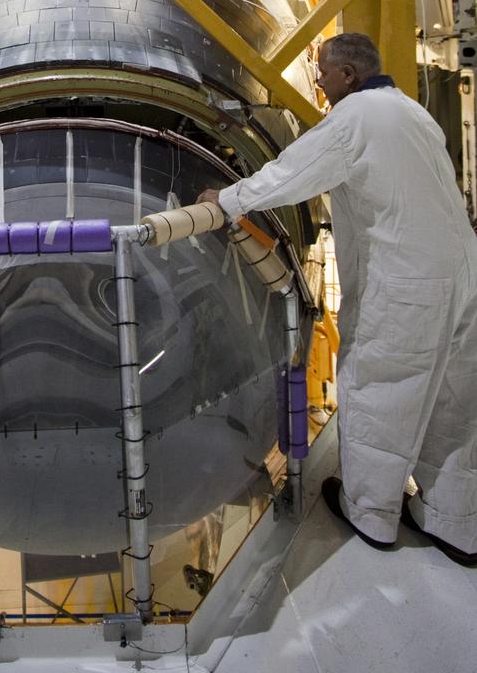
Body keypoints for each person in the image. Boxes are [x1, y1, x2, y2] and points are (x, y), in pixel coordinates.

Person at [198, 32, 477, 564]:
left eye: (322, 68)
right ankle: (456, 524)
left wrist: (229, 199)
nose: (318, 77)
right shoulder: (413, 115)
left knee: (382, 386)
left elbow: (293, 172)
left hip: (407, 285)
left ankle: (371, 514)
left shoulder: (355, 118)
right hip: (463, 276)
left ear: (349, 74)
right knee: (454, 401)